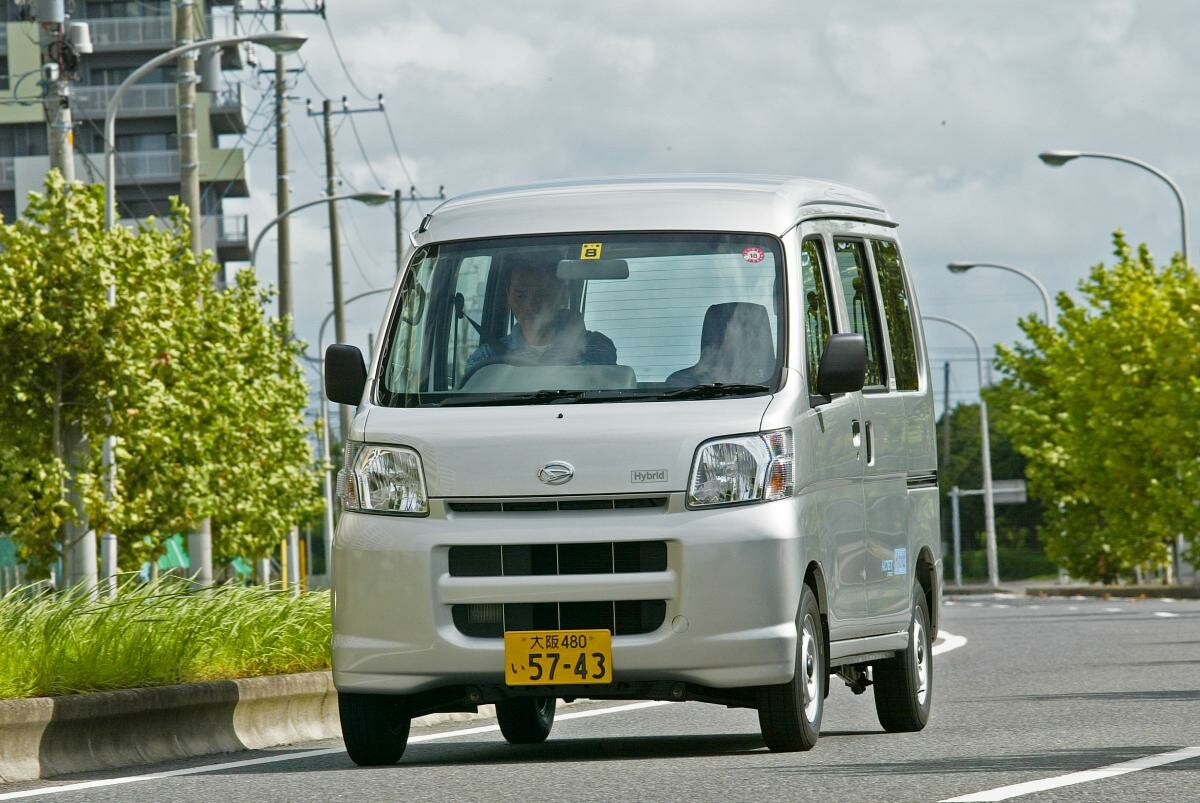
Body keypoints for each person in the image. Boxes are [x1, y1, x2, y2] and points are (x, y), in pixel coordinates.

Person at [465, 256, 616, 374]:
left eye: (542, 295)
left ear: (563, 295)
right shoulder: (485, 358)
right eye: (519, 295)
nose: (530, 305)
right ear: (508, 298)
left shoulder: (595, 347)